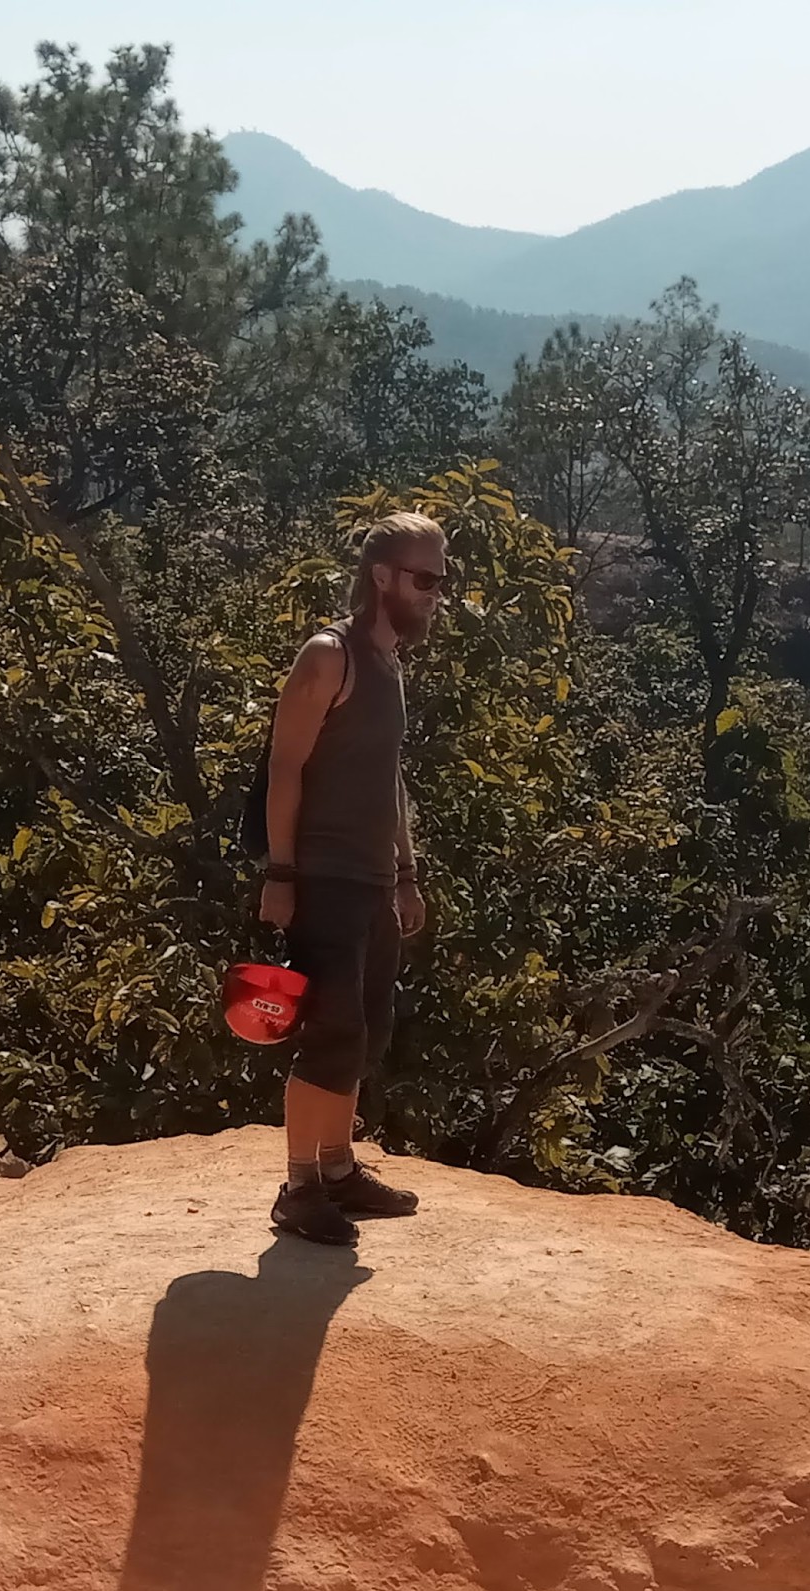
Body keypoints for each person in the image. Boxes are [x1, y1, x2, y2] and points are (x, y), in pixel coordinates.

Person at [256, 511, 452, 1248]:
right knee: (332, 1031)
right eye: (425, 578)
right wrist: (281, 872)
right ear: (381, 577)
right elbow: (283, 767)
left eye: (441, 580)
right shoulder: (328, 656)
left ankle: (338, 1170)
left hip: (372, 880)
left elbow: (389, 778)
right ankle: (299, 1187)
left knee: (367, 1030)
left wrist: (406, 872)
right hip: (324, 877)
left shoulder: (389, 664)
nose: (435, 593)